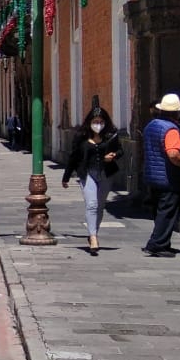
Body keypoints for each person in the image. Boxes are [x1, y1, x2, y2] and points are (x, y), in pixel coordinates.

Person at [61, 107, 124, 256]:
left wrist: (113, 155)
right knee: (92, 204)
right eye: (95, 122)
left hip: (106, 174)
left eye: (101, 122)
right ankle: (94, 238)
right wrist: (66, 176)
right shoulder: (81, 137)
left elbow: (120, 150)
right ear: (89, 122)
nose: (98, 124)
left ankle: (92, 232)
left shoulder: (111, 136)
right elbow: (74, 157)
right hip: (87, 173)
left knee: (100, 206)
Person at [141, 94, 180, 257]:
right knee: (167, 211)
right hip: (168, 178)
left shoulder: (152, 125)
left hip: (153, 176)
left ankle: (159, 241)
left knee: (160, 211)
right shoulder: (171, 129)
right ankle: (158, 245)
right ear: (176, 113)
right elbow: (173, 154)